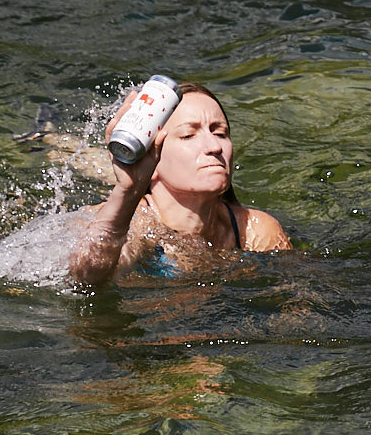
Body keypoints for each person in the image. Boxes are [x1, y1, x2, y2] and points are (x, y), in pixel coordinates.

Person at [66, 81, 289, 287]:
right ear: (152, 157)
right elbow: (87, 279)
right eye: (188, 135)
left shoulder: (254, 230)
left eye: (220, 132)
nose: (214, 146)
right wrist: (127, 190)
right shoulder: (137, 227)